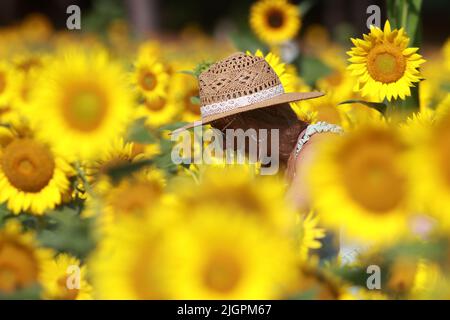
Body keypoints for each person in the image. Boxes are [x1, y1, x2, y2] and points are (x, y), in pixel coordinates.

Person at [173, 52, 342, 211]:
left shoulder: (317, 151)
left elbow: (286, 227)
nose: (221, 144)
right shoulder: (274, 165)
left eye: (221, 130)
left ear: (252, 121)